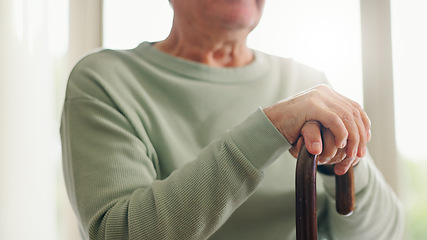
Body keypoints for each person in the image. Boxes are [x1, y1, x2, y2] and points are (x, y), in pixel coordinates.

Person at [61, 0, 404, 239]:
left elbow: (383, 234)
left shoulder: (307, 83)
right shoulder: (105, 80)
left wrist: (342, 164)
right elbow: (120, 234)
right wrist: (268, 129)